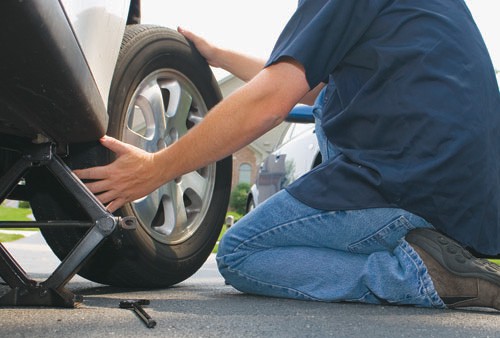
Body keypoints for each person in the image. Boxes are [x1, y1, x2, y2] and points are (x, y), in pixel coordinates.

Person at [75, 0, 500, 310]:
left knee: (241, 254)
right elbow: (311, 83)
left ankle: (419, 275)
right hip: (463, 192)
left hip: (410, 179)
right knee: (332, 97)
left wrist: (154, 169)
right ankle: (433, 252)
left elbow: (271, 101)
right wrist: (220, 56)